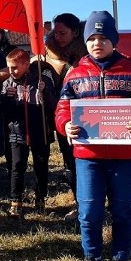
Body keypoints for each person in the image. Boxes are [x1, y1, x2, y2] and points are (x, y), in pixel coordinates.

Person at [56, 11, 131, 261]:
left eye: (103, 37)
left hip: (123, 156)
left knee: (122, 210)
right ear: (85, 41)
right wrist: (66, 126)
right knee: (88, 212)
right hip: (88, 158)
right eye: (92, 38)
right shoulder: (75, 74)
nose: (97, 43)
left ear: (113, 40)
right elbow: (62, 110)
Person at [0, 48, 56, 217]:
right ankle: (16, 200)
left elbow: (52, 106)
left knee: (41, 166)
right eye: (9, 67)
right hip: (17, 131)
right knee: (17, 166)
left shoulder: (42, 80)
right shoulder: (8, 83)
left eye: (15, 67)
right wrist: (6, 99)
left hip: (41, 131)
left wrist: (45, 92)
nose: (11, 71)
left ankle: (40, 197)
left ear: (25, 64)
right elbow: (4, 112)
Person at [45, 12, 88, 220]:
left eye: (63, 33)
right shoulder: (50, 51)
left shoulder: (87, 55)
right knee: (69, 162)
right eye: (56, 33)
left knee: (86, 163)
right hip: (63, 114)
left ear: (76, 32)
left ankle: (91, 203)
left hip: (86, 115)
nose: (58, 37)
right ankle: (80, 202)